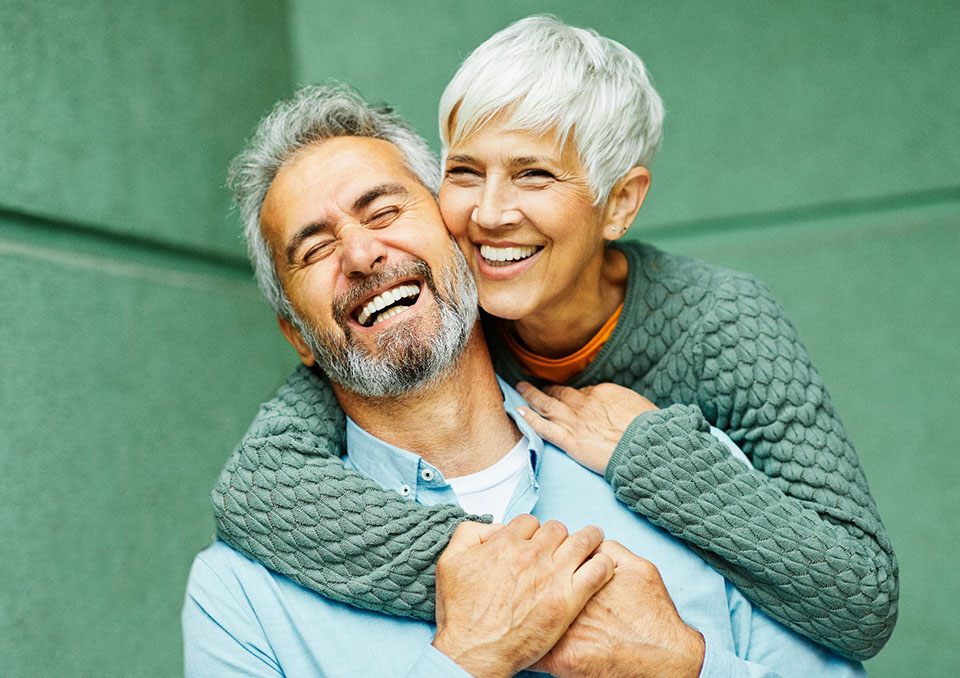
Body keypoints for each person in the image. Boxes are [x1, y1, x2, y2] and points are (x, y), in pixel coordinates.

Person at [213, 16, 897, 661]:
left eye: (534, 174)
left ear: (621, 203)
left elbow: (860, 596)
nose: (488, 214)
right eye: (465, 172)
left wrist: (652, 456)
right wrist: (514, 587)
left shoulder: (719, 325)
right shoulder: (426, 313)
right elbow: (257, 490)